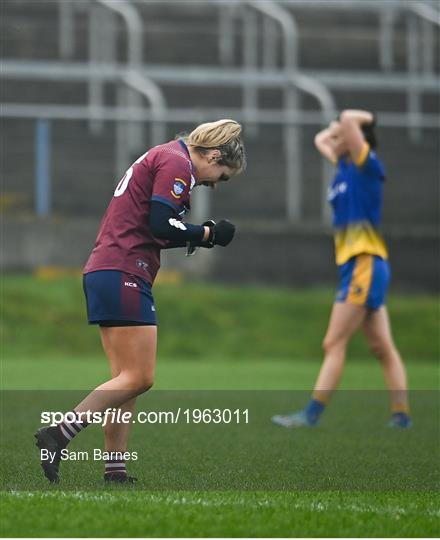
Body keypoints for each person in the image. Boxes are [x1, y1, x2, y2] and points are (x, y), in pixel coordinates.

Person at [35, 119, 247, 482]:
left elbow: (156, 228)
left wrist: (197, 235)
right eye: (221, 175)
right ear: (213, 155)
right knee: (140, 377)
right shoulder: (177, 163)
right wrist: (209, 233)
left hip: (109, 269)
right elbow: (161, 225)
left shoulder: (166, 156)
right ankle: (58, 434)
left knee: (125, 380)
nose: (214, 183)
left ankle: (115, 470)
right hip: (124, 271)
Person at [272, 109, 411, 429]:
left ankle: (311, 415)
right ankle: (401, 415)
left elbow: (349, 118)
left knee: (333, 343)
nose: (334, 139)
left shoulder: (366, 164)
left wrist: (359, 121)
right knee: (381, 346)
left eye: (342, 136)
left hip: (365, 262)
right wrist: (335, 132)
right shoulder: (345, 166)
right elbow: (320, 138)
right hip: (359, 265)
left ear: (354, 139)